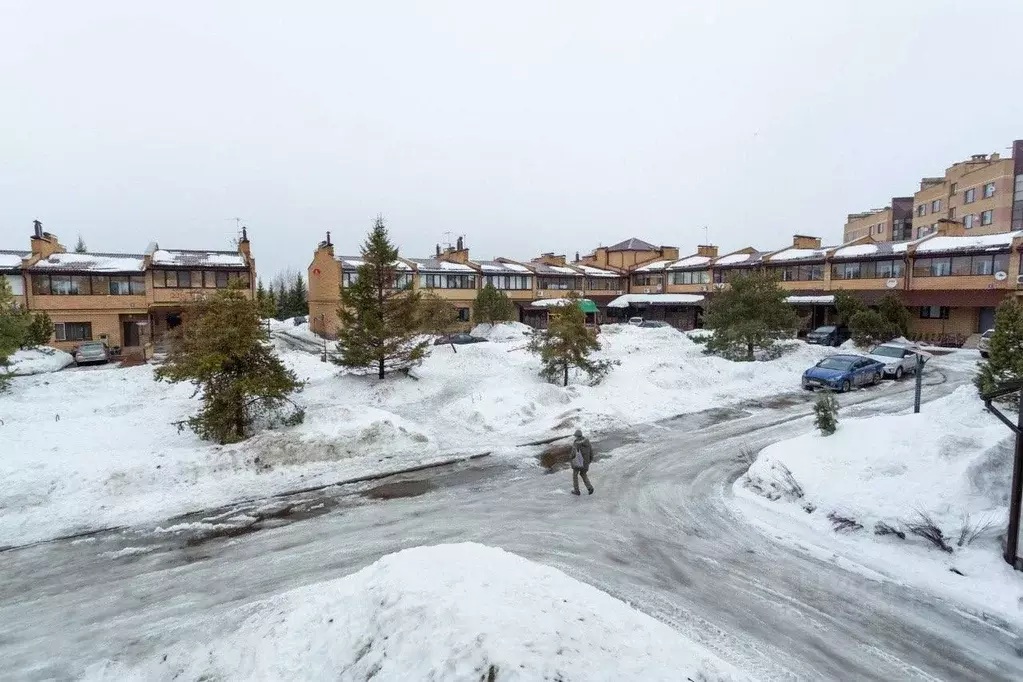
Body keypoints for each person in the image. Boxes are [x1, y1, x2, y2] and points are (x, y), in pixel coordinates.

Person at [570, 429, 595, 496]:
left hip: (578, 463)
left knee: (575, 476)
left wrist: (570, 458)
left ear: (576, 436)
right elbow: (591, 452)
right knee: (583, 474)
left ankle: (576, 491)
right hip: (586, 462)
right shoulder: (587, 441)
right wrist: (589, 460)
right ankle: (590, 488)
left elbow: (573, 454)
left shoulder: (576, 443)